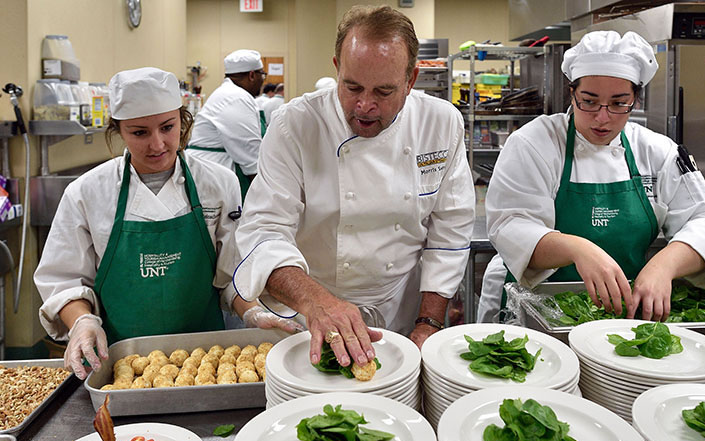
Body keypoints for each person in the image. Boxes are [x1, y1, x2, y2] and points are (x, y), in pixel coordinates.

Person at [233, 5, 475, 368]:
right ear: (336, 68)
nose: (364, 105)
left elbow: (449, 233)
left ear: (411, 80)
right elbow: (265, 231)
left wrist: (427, 323)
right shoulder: (294, 126)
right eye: (352, 87)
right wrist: (318, 303)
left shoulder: (440, 124)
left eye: (383, 91)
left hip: (401, 311)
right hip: (308, 318)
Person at [34, 67, 301, 380]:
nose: (158, 144)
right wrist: (82, 322)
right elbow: (63, 280)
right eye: (140, 133)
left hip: (208, 361)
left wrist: (253, 311)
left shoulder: (217, 184)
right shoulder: (87, 193)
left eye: (167, 127)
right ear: (118, 130)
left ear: (182, 120)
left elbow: (233, 275)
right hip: (120, 362)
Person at [478, 30, 705, 323]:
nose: (603, 117)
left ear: (635, 99)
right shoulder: (534, 143)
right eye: (589, 101)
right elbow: (509, 225)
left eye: (619, 103)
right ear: (571, 93)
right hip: (537, 310)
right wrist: (577, 249)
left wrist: (664, 265)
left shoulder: (656, 151)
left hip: (624, 313)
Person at [187, 49, 266, 200]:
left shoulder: (231, 94)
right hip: (214, 176)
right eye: (262, 75)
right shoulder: (235, 97)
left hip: (216, 173)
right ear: (252, 75)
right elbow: (250, 154)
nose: (263, 80)